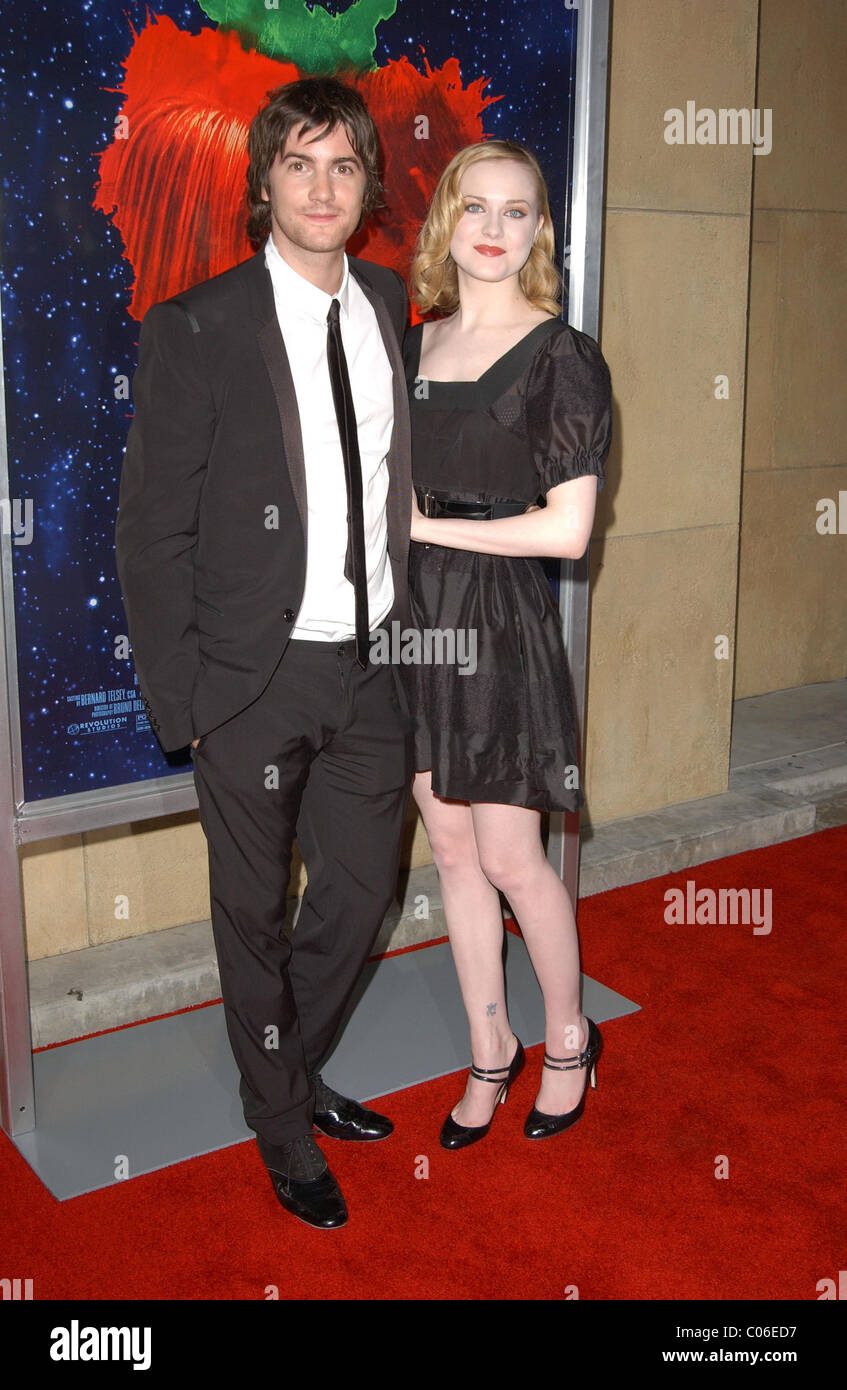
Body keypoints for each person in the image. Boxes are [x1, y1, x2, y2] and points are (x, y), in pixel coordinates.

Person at [115, 77, 414, 1228]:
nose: (324, 186)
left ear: (367, 185)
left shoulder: (388, 305)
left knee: (360, 888)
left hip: (372, 661)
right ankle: (282, 1124)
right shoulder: (199, 326)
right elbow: (153, 530)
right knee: (251, 909)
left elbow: (397, 486)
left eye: (344, 166)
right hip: (253, 677)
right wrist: (183, 700)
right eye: (301, 163)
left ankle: (288, 1066)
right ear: (265, 184)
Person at [403, 139, 612, 1148]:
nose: (492, 228)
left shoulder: (560, 354)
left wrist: (424, 527)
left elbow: (567, 530)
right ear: (446, 219)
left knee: (511, 855)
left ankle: (567, 1037)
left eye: (517, 211)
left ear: (539, 230)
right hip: (411, 622)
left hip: (495, 617)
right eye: (474, 207)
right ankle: (491, 1052)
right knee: (446, 845)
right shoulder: (415, 344)